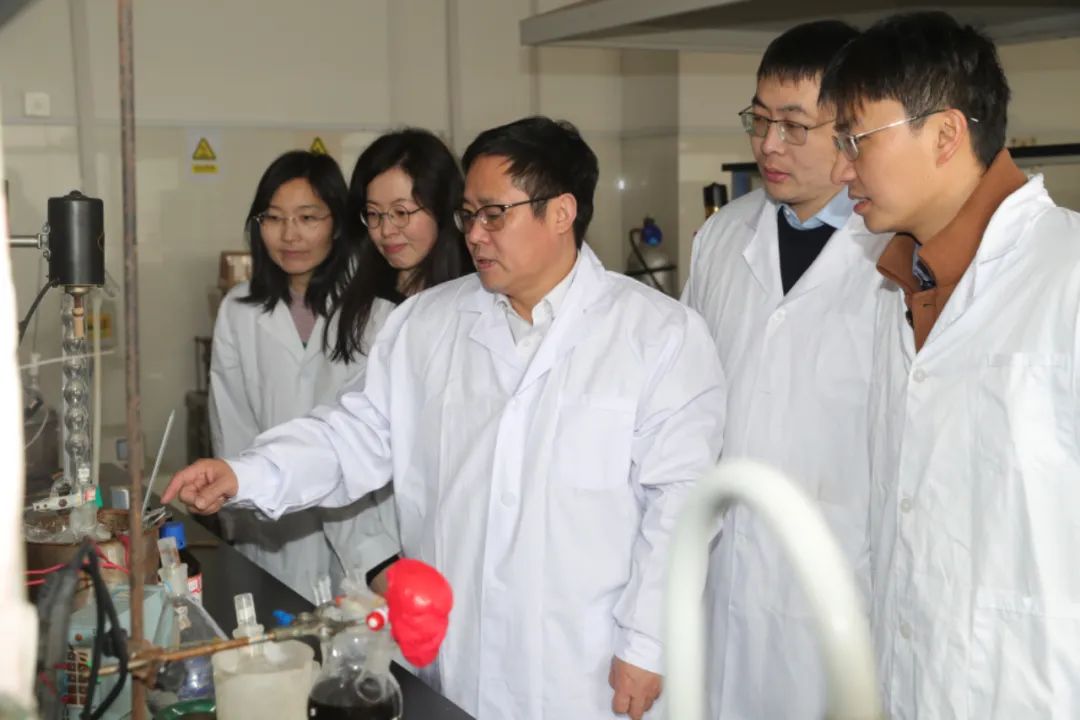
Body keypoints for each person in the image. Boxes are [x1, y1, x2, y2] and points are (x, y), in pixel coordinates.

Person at [166, 116, 726, 720]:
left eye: (494, 214)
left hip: (585, 663)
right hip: (460, 657)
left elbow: (680, 505)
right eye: (467, 215)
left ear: (561, 213)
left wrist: (646, 643)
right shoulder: (428, 323)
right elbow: (353, 435)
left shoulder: (658, 334)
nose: (475, 234)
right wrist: (248, 473)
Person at [821, 11, 1080, 717]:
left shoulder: (1067, 276)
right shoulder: (903, 289)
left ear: (944, 135)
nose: (841, 168)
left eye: (855, 139)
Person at [681, 20, 889, 720]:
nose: (769, 145)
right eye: (759, 119)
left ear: (851, 128)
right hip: (722, 574)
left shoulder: (896, 248)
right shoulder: (721, 235)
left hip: (839, 587)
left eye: (795, 126)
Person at [322, 128, 472, 591]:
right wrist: (380, 566)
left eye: (402, 212)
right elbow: (339, 445)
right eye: (374, 214)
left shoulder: (478, 307)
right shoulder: (360, 313)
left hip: (463, 554)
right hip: (382, 570)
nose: (386, 230)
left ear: (444, 208)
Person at [208, 150, 356, 603]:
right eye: (273, 218)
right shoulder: (239, 309)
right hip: (268, 531)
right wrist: (241, 516)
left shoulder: (373, 307)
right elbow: (230, 421)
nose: (290, 235)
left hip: (356, 528)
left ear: (337, 222)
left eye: (308, 218)